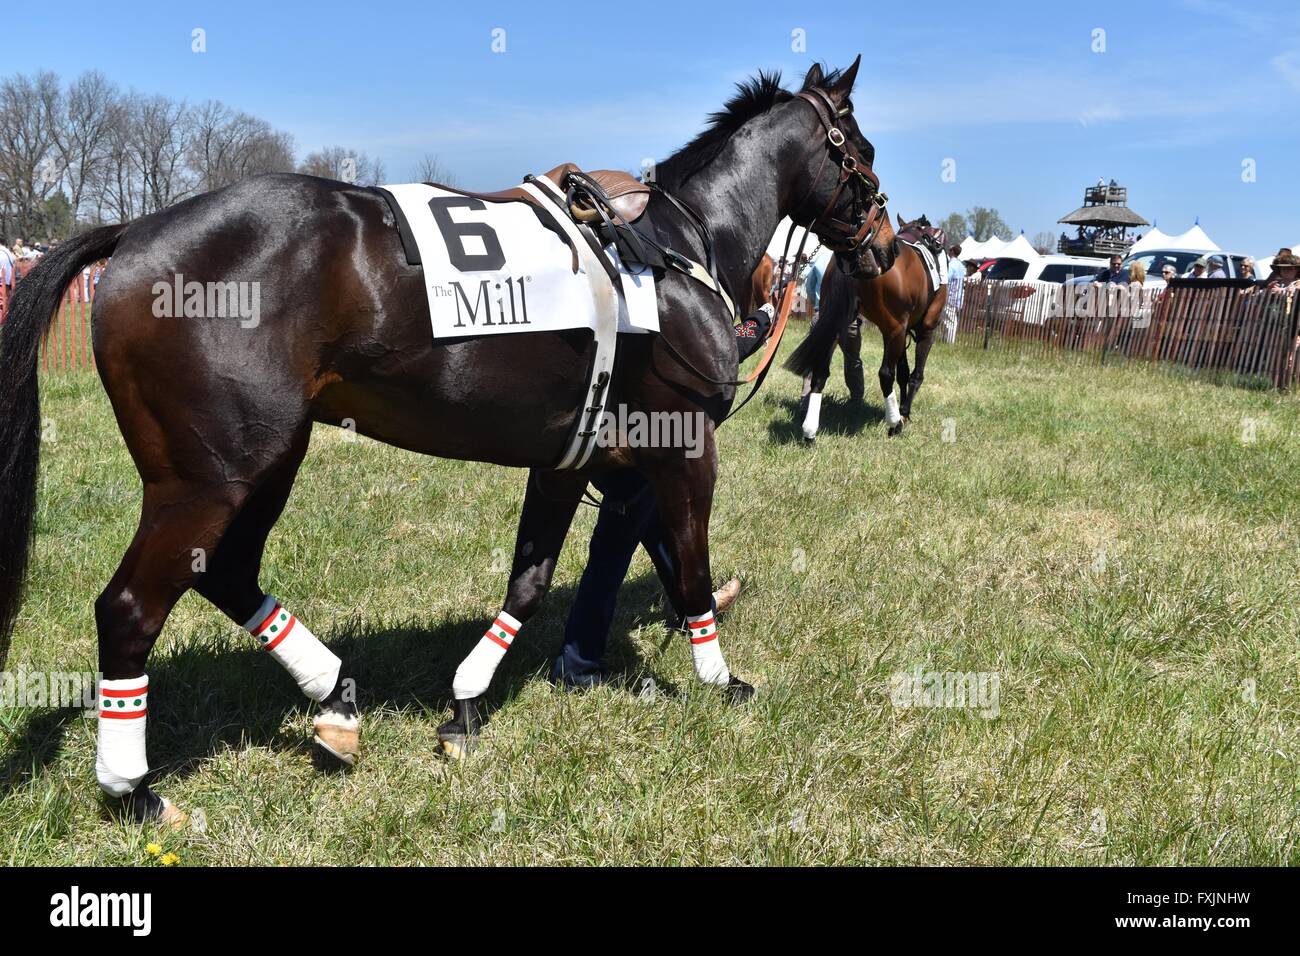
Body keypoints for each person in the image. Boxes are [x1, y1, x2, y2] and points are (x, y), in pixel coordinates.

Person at [549, 303, 774, 689]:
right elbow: (710, 353)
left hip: (605, 424)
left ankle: (694, 608)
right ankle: (578, 664)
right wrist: (757, 325)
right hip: (637, 435)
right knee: (613, 546)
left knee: (656, 525)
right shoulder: (658, 290)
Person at [942, 244, 965, 343]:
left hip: (950, 297)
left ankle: (949, 342)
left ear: (952, 251)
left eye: (949, 249)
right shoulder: (961, 265)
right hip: (958, 297)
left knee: (950, 322)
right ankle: (946, 340)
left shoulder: (952, 265)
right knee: (950, 320)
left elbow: (946, 278)